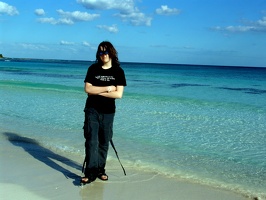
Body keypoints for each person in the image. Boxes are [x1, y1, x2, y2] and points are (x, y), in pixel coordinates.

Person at [81, 41, 127, 184]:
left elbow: (119, 95)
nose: (103, 54)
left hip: (108, 112)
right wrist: (108, 88)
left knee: (104, 142)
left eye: (106, 51)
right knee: (91, 141)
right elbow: (88, 89)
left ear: (112, 53)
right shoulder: (93, 69)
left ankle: (100, 170)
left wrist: (97, 91)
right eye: (101, 52)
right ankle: (90, 172)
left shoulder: (118, 71)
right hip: (92, 110)